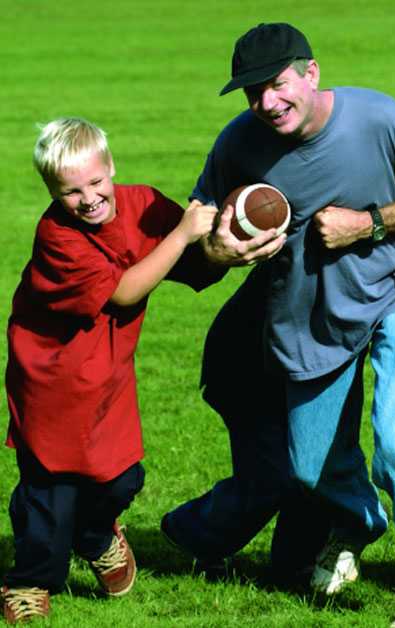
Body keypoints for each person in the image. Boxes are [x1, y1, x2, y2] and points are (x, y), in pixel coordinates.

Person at [159, 22, 395, 625]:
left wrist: (369, 223)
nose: (267, 103)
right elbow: (202, 234)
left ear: (311, 73)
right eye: (253, 94)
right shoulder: (239, 145)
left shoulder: (378, 120)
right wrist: (222, 251)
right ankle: (359, 520)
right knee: (309, 464)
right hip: (305, 321)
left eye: (277, 85)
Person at [1, 118, 220, 623]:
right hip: (52, 383)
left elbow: (193, 262)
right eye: (71, 191)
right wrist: (185, 231)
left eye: (96, 183)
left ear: (111, 168)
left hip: (107, 375)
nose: (89, 198)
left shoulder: (142, 203)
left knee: (121, 477)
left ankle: (97, 534)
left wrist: (231, 246)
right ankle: (30, 581)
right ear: (53, 193)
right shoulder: (58, 236)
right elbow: (125, 289)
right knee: (48, 495)